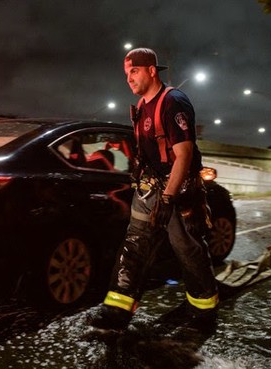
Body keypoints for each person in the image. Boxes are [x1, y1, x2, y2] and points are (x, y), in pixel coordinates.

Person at [89, 47, 219, 331]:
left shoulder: (173, 101)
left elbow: (183, 155)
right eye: (126, 74)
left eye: (133, 71)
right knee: (134, 246)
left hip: (179, 191)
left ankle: (203, 310)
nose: (129, 79)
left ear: (151, 70)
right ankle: (116, 311)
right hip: (149, 190)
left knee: (186, 247)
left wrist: (169, 199)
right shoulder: (142, 108)